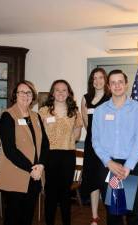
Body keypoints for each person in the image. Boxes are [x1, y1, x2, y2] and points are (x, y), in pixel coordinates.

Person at [92, 69, 138, 225]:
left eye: (120, 82)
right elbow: (95, 140)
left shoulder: (137, 109)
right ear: (108, 86)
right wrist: (108, 162)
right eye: (113, 82)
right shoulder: (100, 111)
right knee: (113, 213)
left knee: (134, 214)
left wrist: (128, 167)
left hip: (131, 164)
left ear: (126, 84)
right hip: (108, 166)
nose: (117, 86)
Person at [0, 80, 49, 225]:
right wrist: (31, 168)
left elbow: (45, 144)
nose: (25, 95)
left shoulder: (36, 116)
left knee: (27, 216)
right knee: (13, 217)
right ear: (15, 95)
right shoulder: (8, 116)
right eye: (22, 92)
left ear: (33, 96)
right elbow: (10, 150)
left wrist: (41, 165)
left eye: (29, 92)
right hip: (17, 174)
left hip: (35, 175)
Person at [39, 79, 83, 225]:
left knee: (65, 194)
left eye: (64, 90)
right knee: (50, 193)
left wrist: (66, 137)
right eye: (57, 90)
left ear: (69, 93)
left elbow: (77, 135)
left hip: (67, 155)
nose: (60, 93)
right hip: (49, 155)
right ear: (52, 92)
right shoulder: (43, 111)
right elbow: (39, 135)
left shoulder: (74, 112)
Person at [80, 68, 111, 225]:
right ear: (91, 81)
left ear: (105, 80)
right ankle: (94, 216)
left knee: (107, 179)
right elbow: (86, 124)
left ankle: (112, 214)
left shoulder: (111, 97)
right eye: (94, 78)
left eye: (101, 78)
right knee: (93, 180)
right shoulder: (85, 99)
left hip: (109, 146)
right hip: (91, 145)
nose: (98, 81)